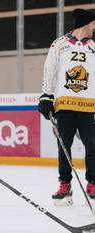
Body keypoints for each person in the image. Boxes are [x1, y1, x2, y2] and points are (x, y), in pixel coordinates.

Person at [38, 8, 95, 206]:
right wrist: (47, 96)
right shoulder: (60, 44)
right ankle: (65, 185)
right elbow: (49, 70)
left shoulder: (94, 46)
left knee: (93, 145)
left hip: (90, 106)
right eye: (93, 23)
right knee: (64, 147)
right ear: (86, 23)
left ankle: (93, 183)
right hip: (64, 105)